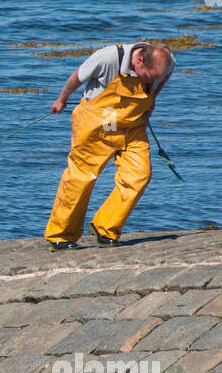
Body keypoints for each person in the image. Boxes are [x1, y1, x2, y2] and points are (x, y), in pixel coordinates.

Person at [44, 41, 175, 249]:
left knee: (139, 175)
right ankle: (61, 234)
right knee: (81, 177)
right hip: (98, 121)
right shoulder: (107, 58)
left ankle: (105, 228)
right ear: (139, 60)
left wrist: (152, 100)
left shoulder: (166, 63)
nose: (150, 80)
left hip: (132, 124)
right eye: (147, 76)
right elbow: (76, 77)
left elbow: (162, 78)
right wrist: (62, 99)